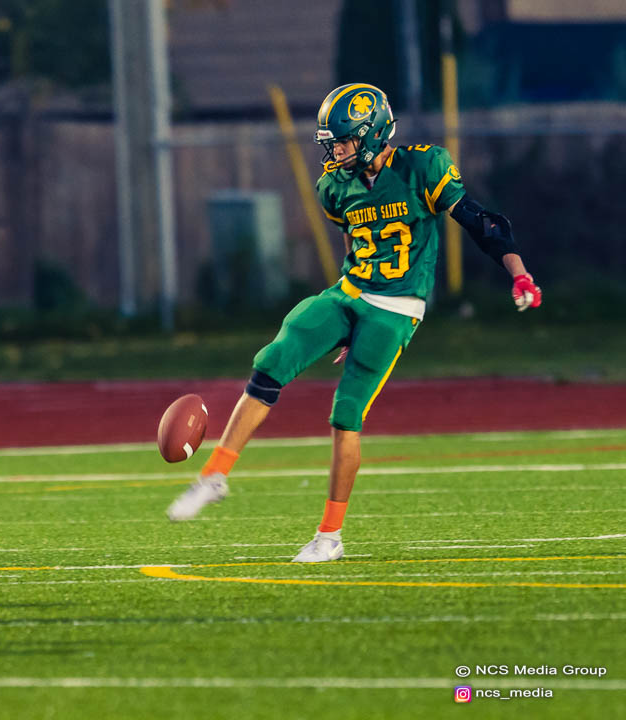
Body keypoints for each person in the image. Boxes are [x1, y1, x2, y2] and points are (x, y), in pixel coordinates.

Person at [166, 83, 542, 563]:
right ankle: (214, 476)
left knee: (346, 414)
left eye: (343, 141)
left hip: (396, 307)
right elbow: (352, 240)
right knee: (273, 359)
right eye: (332, 142)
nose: (335, 150)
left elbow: (482, 223)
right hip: (349, 291)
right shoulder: (334, 186)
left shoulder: (423, 167)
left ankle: (329, 537)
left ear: (371, 134)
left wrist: (519, 273)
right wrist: (343, 323)